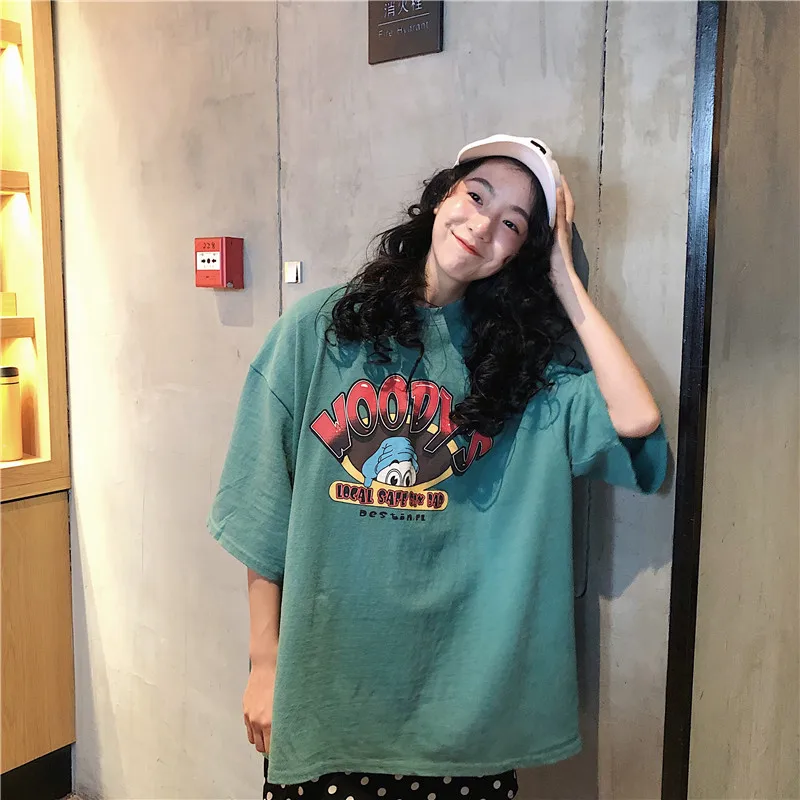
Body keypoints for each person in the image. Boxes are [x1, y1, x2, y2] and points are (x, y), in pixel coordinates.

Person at [208, 134, 667, 799]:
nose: (482, 225)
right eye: (476, 196)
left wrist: (565, 281)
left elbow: (637, 420)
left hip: (465, 723)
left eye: (512, 225)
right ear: (441, 197)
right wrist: (264, 663)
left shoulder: (524, 373)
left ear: (522, 254)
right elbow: (261, 505)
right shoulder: (320, 329)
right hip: (329, 699)